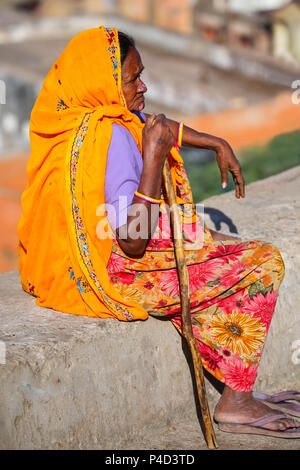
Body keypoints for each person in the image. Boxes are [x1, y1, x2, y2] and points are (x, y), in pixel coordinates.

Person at [17, 26, 300, 439]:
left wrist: (215, 142)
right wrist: (152, 160)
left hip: (104, 248)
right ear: (106, 83)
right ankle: (236, 402)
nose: (143, 85)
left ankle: (235, 379)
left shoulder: (89, 117)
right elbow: (132, 242)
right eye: (133, 79)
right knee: (263, 262)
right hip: (118, 270)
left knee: (218, 245)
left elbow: (156, 125)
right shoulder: (105, 139)